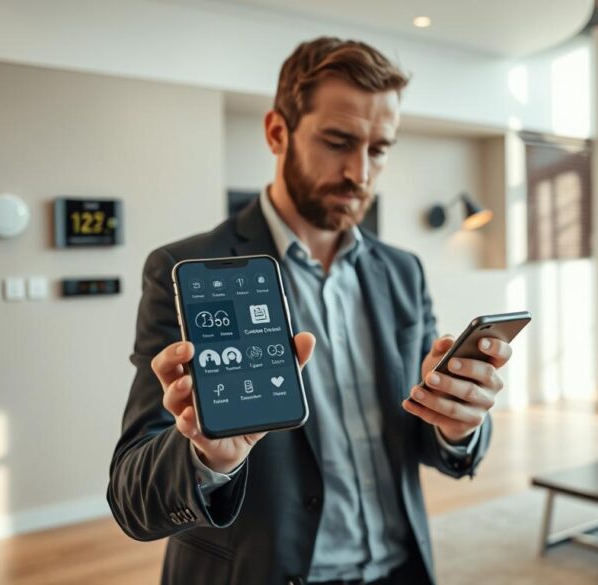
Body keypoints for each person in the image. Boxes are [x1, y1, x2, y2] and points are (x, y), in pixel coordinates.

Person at [107, 37, 513, 585]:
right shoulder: (186, 268)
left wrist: (458, 425)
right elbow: (133, 498)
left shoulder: (402, 271)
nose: (359, 173)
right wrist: (207, 457)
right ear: (277, 132)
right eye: (338, 141)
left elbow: (425, 436)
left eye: (378, 149)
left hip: (401, 571)